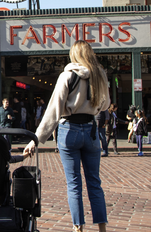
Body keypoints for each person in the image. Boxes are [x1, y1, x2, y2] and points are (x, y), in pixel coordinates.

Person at [24, 40, 110, 232]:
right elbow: (105, 105)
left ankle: (78, 227)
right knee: (94, 183)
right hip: (91, 130)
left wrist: (36, 139)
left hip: (69, 129)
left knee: (74, 184)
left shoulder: (67, 76)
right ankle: (102, 227)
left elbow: (53, 111)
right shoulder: (100, 75)